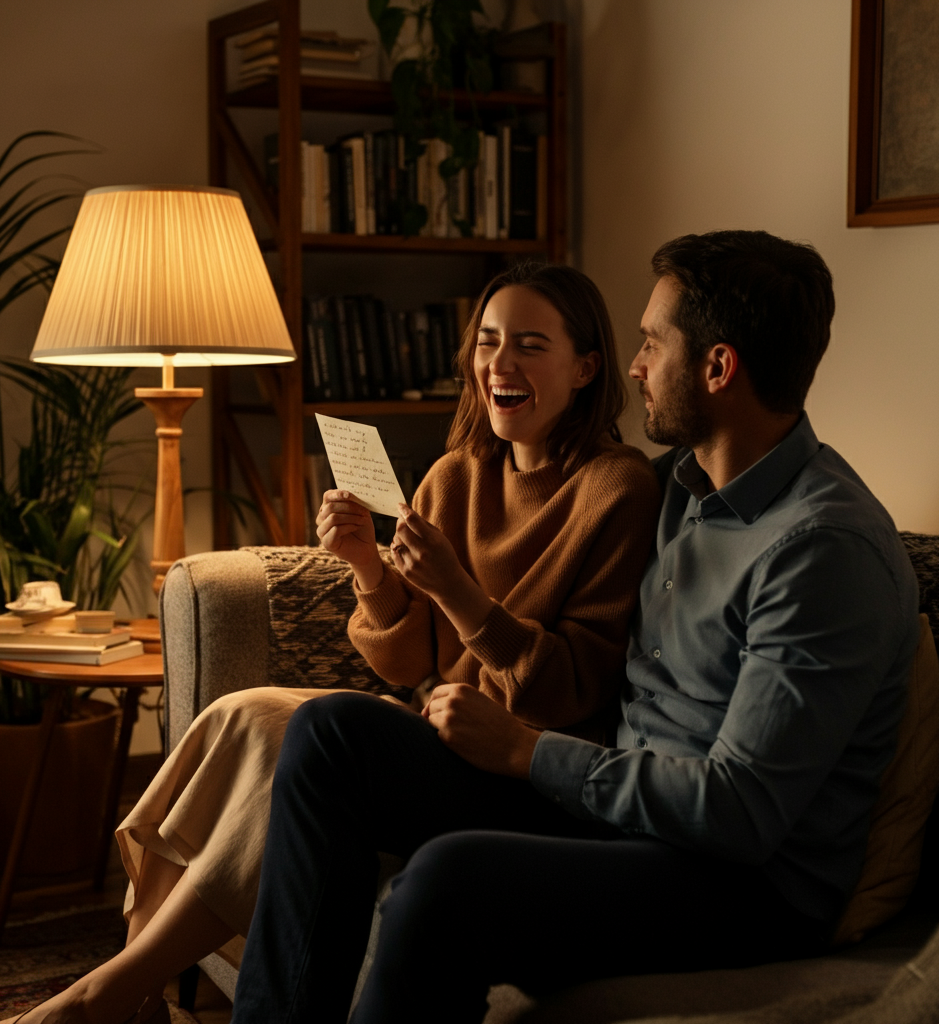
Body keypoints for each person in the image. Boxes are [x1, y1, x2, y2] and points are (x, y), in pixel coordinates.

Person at [227, 229, 920, 1024]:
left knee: (448, 882)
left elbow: (741, 813)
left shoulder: (822, 553)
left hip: (739, 880)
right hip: (619, 814)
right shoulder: (679, 489)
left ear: (719, 367)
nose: (636, 367)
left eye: (653, 344)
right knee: (331, 736)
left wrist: (528, 752)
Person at [0, 262, 661, 1024]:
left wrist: (455, 590)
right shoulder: (454, 477)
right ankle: (130, 986)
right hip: (434, 733)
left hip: (525, 763)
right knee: (242, 716)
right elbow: (410, 663)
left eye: (530, 346)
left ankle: (107, 994)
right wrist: (368, 570)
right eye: (487, 342)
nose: (499, 365)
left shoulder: (618, 488)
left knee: (308, 730)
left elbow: (570, 690)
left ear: (585, 368)